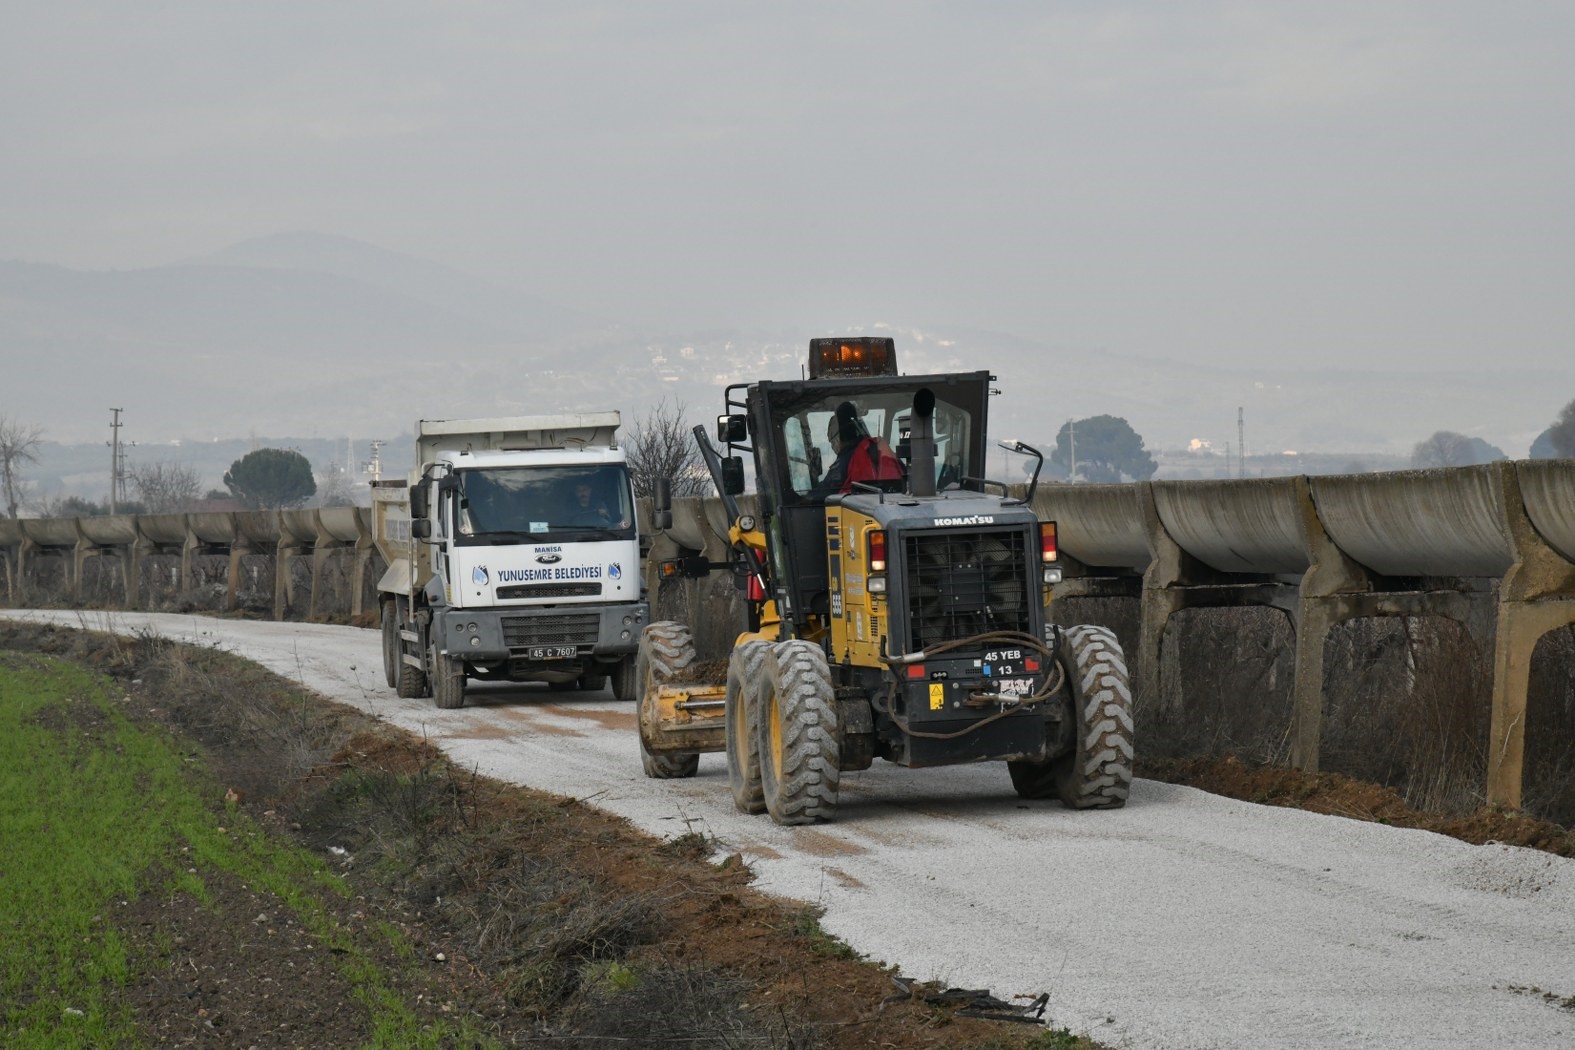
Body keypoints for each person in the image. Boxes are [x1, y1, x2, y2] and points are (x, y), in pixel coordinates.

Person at [807, 402, 903, 500]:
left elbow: (826, 489)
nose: (832, 446)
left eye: (831, 441)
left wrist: (806, 498)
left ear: (836, 439)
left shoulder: (846, 459)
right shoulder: (880, 451)